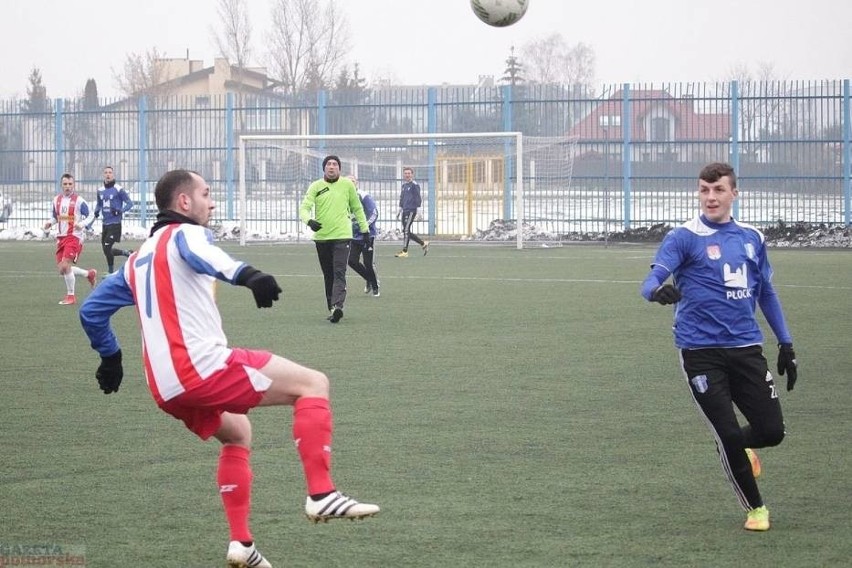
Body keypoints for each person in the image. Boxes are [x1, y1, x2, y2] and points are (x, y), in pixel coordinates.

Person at [79, 169, 379, 568]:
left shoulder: (138, 259)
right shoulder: (184, 234)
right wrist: (249, 276)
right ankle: (321, 494)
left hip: (165, 388)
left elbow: (91, 310)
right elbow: (205, 254)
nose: (212, 201)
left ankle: (242, 544)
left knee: (238, 432)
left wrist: (110, 356)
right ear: (184, 202)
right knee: (313, 384)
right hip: (200, 369)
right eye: (206, 193)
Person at [640, 162, 798, 532]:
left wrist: (786, 342)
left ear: (734, 194)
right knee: (727, 433)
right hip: (699, 351)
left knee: (772, 431)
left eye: (718, 190)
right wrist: (657, 293)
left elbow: (766, 293)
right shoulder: (683, 237)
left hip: (746, 349)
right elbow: (650, 280)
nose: (710, 198)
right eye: (704, 190)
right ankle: (755, 509)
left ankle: (735, 448)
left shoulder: (752, 238)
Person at [299, 155, 371, 323]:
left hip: (342, 236)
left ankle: (338, 306)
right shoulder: (316, 186)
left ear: (339, 168)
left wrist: (365, 230)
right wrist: (309, 221)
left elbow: (357, 208)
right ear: (324, 168)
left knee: (339, 271)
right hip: (322, 238)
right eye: (329, 164)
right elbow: (304, 208)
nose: (331, 167)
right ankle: (331, 307)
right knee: (328, 274)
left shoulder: (347, 185)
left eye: (335, 164)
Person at [44, 173, 98, 305]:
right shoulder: (56, 200)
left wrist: (82, 224)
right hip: (61, 238)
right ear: (61, 185)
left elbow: (91, 215)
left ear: (73, 185)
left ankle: (71, 296)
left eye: (70, 184)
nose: (67, 186)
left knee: (65, 266)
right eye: (65, 184)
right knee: (63, 269)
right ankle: (89, 274)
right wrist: (50, 223)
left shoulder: (79, 201)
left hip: (74, 237)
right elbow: (56, 217)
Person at [90, 165, 135, 274]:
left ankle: (110, 272)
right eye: (106, 172)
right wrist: (97, 210)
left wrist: (120, 211)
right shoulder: (100, 190)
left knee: (107, 246)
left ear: (113, 174)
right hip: (105, 224)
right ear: (103, 175)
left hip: (115, 224)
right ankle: (126, 253)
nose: (108, 174)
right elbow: (99, 204)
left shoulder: (118, 189)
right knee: (106, 251)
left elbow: (130, 203)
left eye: (110, 172)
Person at [346, 175, 380, 297]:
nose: (350, 183)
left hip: (367, 236)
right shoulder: (344, 196)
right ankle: (369, 279)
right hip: (353, 237)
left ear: (357, 183)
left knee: (368, 263)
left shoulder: (363, 195)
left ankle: (375, 286)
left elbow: (375, 213)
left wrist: (364, 227)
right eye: (348, 182)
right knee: (351, 261)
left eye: (353, 181)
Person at [394, 166, 429, 258]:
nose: (407, 175)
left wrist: (419, 210)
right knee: (405, 230)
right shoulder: (404, 186)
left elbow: (418, 198)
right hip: (404, 210)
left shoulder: (414, 185)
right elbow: (402, 198)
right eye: (405, 173)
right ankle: (423, 243)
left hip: (411, 210)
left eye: (409, 173)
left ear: (412, 174)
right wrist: (399, 209)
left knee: (406, 230)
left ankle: (405, 251)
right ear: (403, 175)